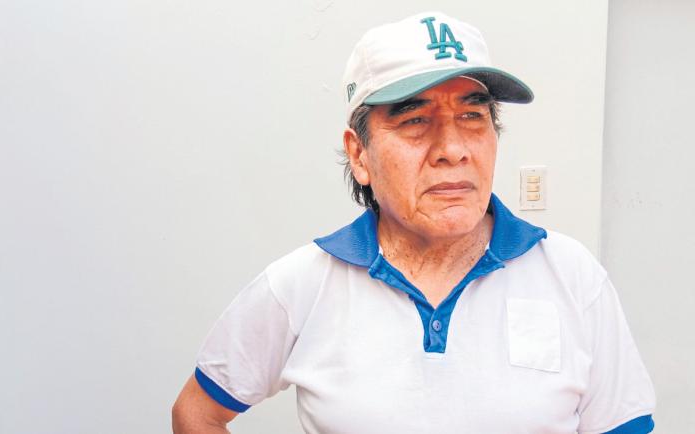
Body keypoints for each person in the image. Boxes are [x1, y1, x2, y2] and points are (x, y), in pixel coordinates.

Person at [172, 11, 656, 434]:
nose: (453, 149)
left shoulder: (572, 276)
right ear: (359, 154)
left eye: (472, 116)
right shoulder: (302, 285)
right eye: (415, 121)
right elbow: (197, 413)